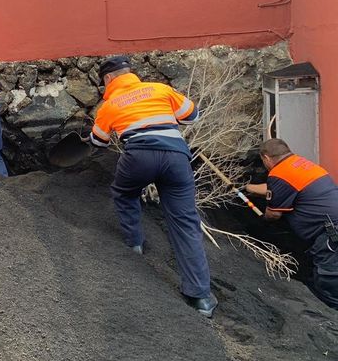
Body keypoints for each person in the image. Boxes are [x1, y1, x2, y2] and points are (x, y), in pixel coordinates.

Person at [89, 55, 217, 317]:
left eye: (104, 82)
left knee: (125, 193)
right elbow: (192, 115)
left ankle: (134, 245)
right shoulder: (161, 89)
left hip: (138, 155)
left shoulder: (110, 105)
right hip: (176, 156)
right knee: (184, 221)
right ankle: (201, 297)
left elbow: (99, 142)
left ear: (109, 79)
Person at [245, 139, 338, 309]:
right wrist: (249, 188)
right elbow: (275, 188)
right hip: (331, 227)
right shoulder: (302, 165)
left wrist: (263, 221)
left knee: (328, 281)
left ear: (266, 158)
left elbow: (273, 214)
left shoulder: (279, 173)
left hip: (329, 235)